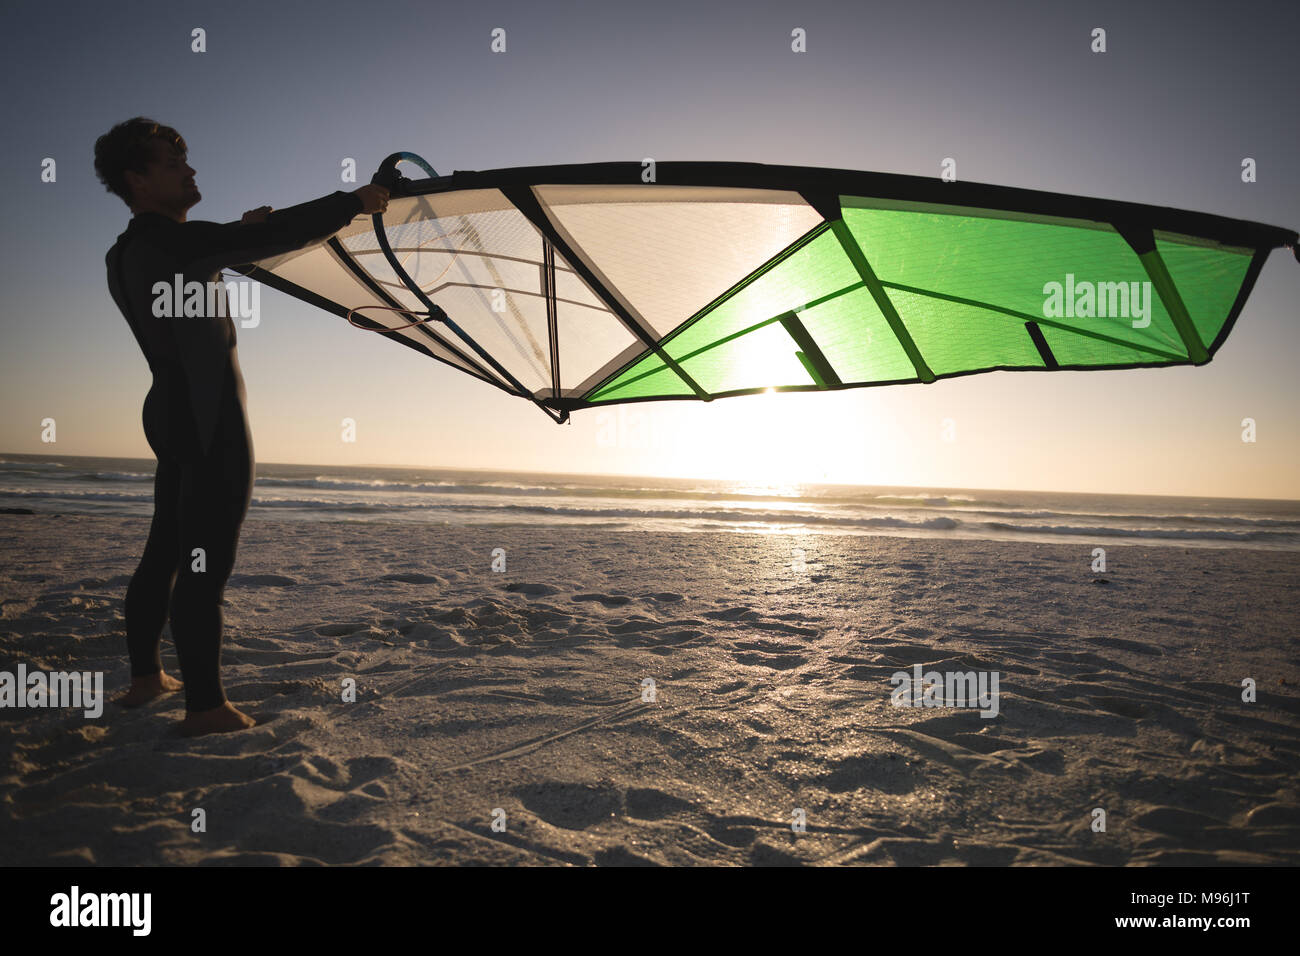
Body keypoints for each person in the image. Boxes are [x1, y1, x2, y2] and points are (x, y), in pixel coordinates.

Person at [95, 118, 389, 736]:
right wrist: (355, 202)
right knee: (205, 561)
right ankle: (206, 709)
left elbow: (199, 267)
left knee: (164, 552)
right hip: (209, 415)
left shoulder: (126, 253)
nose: (191, 171)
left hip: (168, 409)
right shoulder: (174, 244)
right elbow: (274, 234)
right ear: (138, 180)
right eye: (174, 165)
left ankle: (147, 678)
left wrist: (239, 236)